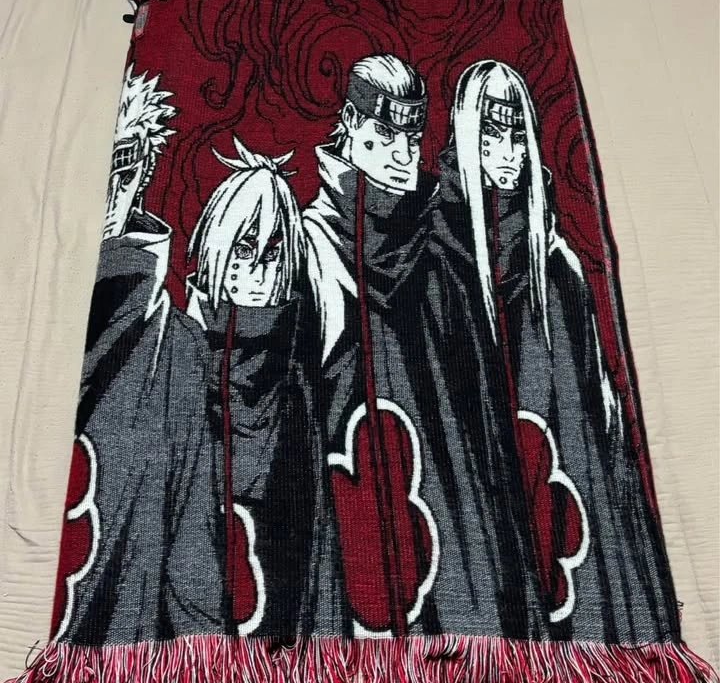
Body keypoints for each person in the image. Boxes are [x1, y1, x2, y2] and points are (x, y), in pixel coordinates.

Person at [53, 67, 326, 643]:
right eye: (244, 248)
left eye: (272, 254)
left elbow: (310, 536)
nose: (257, 272)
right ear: (216, 248)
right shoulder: (177, 346)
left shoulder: (294, 381)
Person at [442, 58, 679, 643]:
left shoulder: (557, 268)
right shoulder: (438, 254)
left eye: (517, 135)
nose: (507, 153)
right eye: (491, 135)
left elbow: (589, 420)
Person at [303, 53, 539, 639]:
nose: (401, 154)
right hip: (360, 514)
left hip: (461, 518)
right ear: (350, 125)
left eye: (410, 138)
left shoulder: (442, 238)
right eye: (384, 134)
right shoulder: (312, 243)